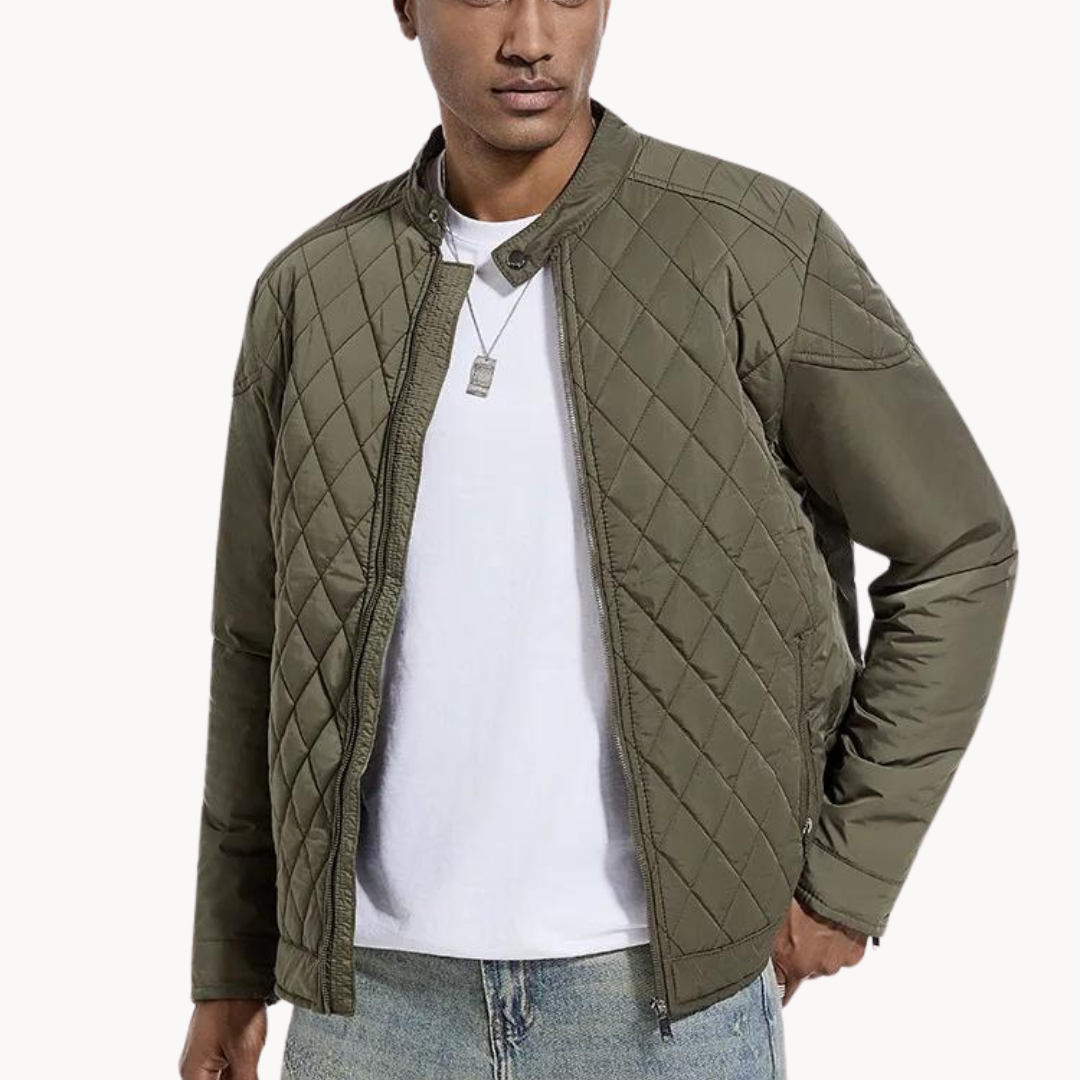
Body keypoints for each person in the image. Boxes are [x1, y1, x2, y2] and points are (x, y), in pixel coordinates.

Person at [178, 2, 1019, 1078]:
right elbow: (256, 645)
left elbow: (959, 549)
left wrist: (846, 884)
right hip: (373, 1008)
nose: (531, 38)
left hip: (662, 1004)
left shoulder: (749, 248)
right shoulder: (315, 290)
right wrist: (231, 964)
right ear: (405, 8)